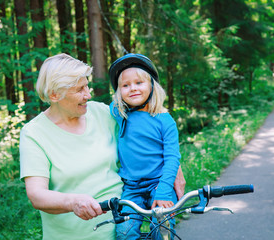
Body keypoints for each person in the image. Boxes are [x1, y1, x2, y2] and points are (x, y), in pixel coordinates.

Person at [20, 53, 186, 240]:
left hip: (119, 229)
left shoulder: (101, 113)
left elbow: (146, 134)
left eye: (87, 86)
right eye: (80, 89)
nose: (88, 94)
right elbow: (36, 194)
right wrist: (72, 201)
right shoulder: (34, 133)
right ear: (54, 95)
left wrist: (172, 168)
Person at [109, 53, 181, 240]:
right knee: (125, 231)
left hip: (160, 184)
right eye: (125, 85)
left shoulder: (165, 120)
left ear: (152, 86)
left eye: (139, 83)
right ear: (119, 91)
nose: (132, 88)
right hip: (131, 188)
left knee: (162, 228)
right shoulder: (120, 114)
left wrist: (165, 190)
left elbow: (173, 157)